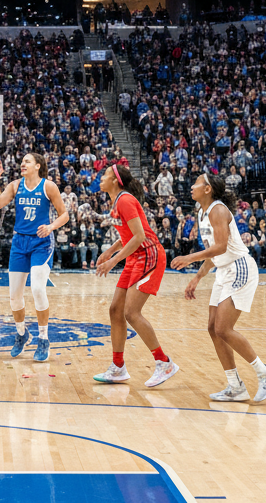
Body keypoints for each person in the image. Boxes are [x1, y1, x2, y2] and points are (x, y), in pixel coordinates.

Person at [171, 173, 266, 403]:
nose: (192, 186)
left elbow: (221, 247)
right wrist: (197, 278)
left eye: (197, 183)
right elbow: (213, 252)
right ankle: (235, 386)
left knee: (223, 328)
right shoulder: (203, 212)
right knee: (213, 328)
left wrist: (189, 258)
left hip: (239, 268)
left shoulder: (218, 210)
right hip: (223, 271)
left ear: (208, 189)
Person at [93, 162, 178, 387]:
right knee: (115, 310)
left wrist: (113, 261)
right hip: (134, 258)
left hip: (149, 255)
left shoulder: (126, 200)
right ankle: (118, 367)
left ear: (115, 180)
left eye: (105, 174)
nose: (101, 178)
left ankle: (164, 362)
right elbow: (128, 234)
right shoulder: (117, 201)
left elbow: (140, 236)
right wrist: (110, 250)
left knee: (131, 312)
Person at [0, 151, 69, 363]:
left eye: (27, 161)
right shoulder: (15, 185)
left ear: (38, 166)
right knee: (14, 295)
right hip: (19, 243)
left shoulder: (48, 186)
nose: (22, 163)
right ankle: (22, 334)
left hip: (41, 242)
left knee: (38, 288)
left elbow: (64, 214)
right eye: (22, 161)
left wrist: (51, 226)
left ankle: (43, 338)